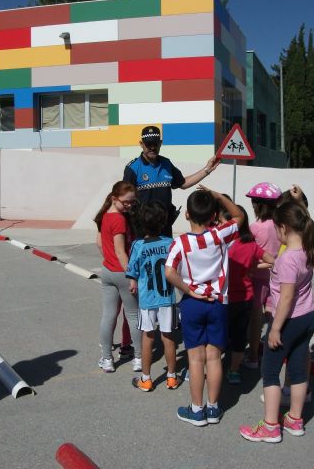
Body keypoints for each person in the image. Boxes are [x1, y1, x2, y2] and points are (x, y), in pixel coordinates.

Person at [239, 201, 314, 443]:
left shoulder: (287, 260)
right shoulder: (306, 251)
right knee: (297, 369)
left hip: (289, 321)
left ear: (284, 227)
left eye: (276, 227)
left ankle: (271, 426)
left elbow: (286, 298)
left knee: (271, 371)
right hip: (308, 316)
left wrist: (275, 328)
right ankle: (295, 419)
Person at [165, 188, 244, 426]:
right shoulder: (219, 235)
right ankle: (213, 407)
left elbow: (169, 272)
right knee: (214, 357)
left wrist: (188, 290)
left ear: (187, 214)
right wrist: (219, 197)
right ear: (213, 216)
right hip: (218, 302)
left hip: (193, 304)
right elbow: (239, 217)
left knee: (195, 359)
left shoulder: (180, 243)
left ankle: (196, 410)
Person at [123, 125, 220, 237]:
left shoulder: (166, 164)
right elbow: (125, 199)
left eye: (155, 144)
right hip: (142, 230)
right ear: (141, 144)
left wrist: (207, 169)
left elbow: (183, 183)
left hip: (165, 227)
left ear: (160, 143)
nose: (152, 147)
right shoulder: (133, 168)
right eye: (148, 144)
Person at [126, 201, 181, 392]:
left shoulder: (138, 245)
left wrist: (133, 282)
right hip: (167, 296)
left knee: (148, 337)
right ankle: (172, 377)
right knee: (168, 336)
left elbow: (132, 271)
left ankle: (146, 379)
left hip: (148, 298)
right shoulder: (169, 243)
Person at [218, 205, 275, 385]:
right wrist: (252, 267)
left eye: (220, 222)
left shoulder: (223, 245)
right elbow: (272, 260)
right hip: (245, 297)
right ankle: (234, 371)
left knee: (219, 335)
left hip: (225, 298)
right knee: (239, 336)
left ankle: (212, 367)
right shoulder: (251, 245)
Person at [93, 181, 142, 373]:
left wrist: (108, 260)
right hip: (123, 272)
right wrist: (132, 276)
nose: (129, 206)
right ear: (115, 198)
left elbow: (99, 243)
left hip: (108, 272)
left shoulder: (104, 216)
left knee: (108, 315)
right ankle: (138, 358)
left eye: (132, 202)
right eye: (126, 202)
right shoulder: (119, 220)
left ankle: (107, 359)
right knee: (132, 315)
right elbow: (122, 252)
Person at [243, 182, 283, 369]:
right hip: (275, 276)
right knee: (272, 315)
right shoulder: (280, 225)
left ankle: (252, 356)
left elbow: (250, 254)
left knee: (255, 319)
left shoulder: (255, 228)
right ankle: (272, 352)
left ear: (258, 206)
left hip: (257, 276)